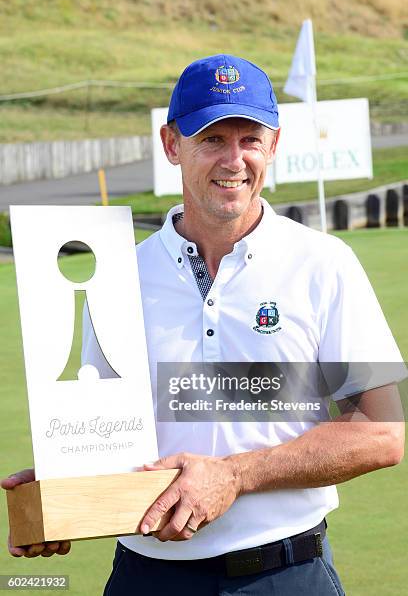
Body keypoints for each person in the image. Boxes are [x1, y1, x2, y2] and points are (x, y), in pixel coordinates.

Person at [3, 54, 405, 596]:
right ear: (172, 145)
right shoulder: (117, 274)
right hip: (148, 577)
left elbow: (383, 434)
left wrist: (235, 475)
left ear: (275, 145)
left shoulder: (324, 263)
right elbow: (106, 438)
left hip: (287, 575)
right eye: (212, 139)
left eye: (250, 139)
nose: (234, 159)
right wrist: (67, 490)